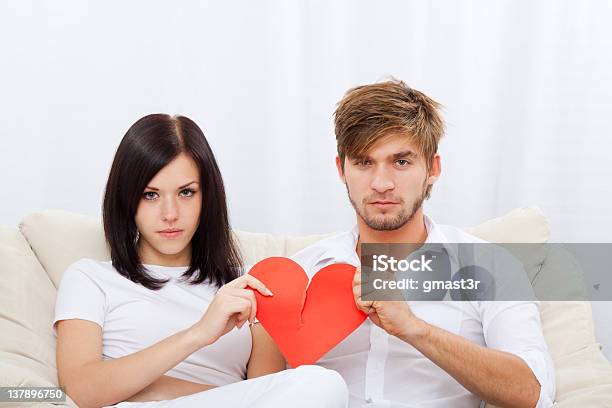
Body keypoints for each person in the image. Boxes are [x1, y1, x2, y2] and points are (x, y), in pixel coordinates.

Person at [291, 80, 556, 407]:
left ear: (432, 168)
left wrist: (414, 328)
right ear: (341, 169)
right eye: (363, 162)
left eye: (401, 162)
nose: (381, 184)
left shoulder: (491, 266)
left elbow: (533, 393)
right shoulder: (302, 271)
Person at [53, 114, 348, 408]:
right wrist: (200, 333)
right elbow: (79, 390)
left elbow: (267, 393)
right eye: (150, 195)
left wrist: (148, 388)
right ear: (126, 200)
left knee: (321, 383)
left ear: (207, 197)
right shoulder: (89, 277)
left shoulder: (249, 287)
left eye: (185, 192)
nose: (170, 213)